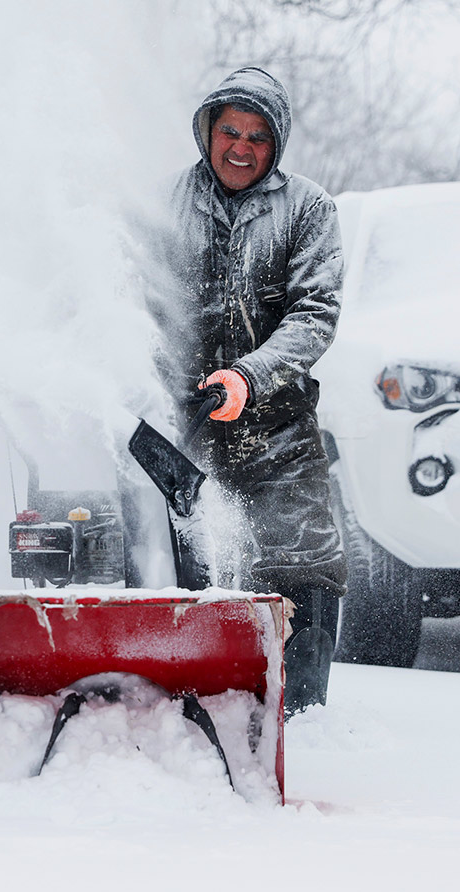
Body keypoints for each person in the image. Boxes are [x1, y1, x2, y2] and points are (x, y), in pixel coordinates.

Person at [148, 67, 347, 715]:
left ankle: (302, 715)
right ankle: (184, 701)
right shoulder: (163, 203)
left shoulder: (309, 209)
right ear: (207, 131)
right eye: (229, 130)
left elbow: (314, 314)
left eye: (258, 136)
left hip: (277, 423)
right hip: (181, 427)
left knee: (303, 561)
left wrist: (248, 377)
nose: (241, 147)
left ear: (278, 143)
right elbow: (137, 303)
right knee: (179, 559)